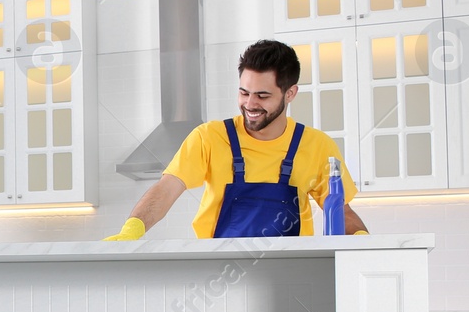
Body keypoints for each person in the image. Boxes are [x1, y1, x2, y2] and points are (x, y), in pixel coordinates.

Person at [107, 39, 369, 240]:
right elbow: (166, 190)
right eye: (244, 92)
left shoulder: (317, 146)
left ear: (290, 94)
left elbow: (340, 211)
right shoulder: (209, 137)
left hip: (291, 270)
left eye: (263, 96)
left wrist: (363, 242)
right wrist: (132, 231)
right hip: (215, 268)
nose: (250, 104)